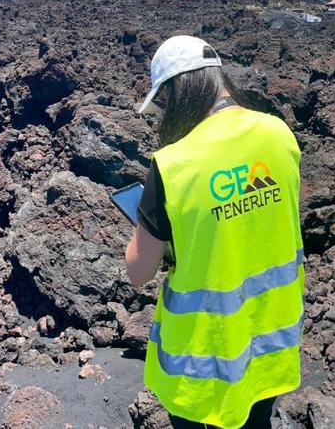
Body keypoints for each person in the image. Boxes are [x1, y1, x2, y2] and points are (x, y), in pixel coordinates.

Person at [124, 35, 304, 429]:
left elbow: (139, 273)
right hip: (269, 342)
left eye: (163, 103)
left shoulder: (174, 165)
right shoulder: (279, 135)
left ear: (176, 89)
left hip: (203, 359)